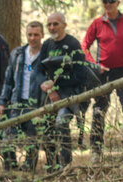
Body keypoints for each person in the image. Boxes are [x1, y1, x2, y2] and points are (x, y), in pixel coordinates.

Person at [82, 0, 123, 162]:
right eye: (105, 1)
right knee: (99, 110)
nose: (108, 4)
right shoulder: (97, 23)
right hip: (103, 74)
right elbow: (84, 46)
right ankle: (96, 150)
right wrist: (94, 65)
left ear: (118, 2)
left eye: (112, 1)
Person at [36, 13, 85, 171]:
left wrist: (57, 84)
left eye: (55, 24)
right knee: (47, 126)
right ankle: (51, 164)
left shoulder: (73, 43)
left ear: (64, 24)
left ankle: (65, 163)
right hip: (49, 96)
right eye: (49, 24)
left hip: (69, 95)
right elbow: (37, 70)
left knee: (61, 122)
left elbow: (80, 73)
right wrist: (48, 87)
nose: (52, 28)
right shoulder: (47, 45)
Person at [0, 21, 45, 171]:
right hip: (17, 102)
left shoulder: (45, 55)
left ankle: (28, 170)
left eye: (36, 35)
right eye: (30, 34)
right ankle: (10, 169)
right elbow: (9, 80)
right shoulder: (18, 54)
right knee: (8, 136)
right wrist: (2, 102)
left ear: (42, 35)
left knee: (32, 138)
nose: (33, 38)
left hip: (36, 104)